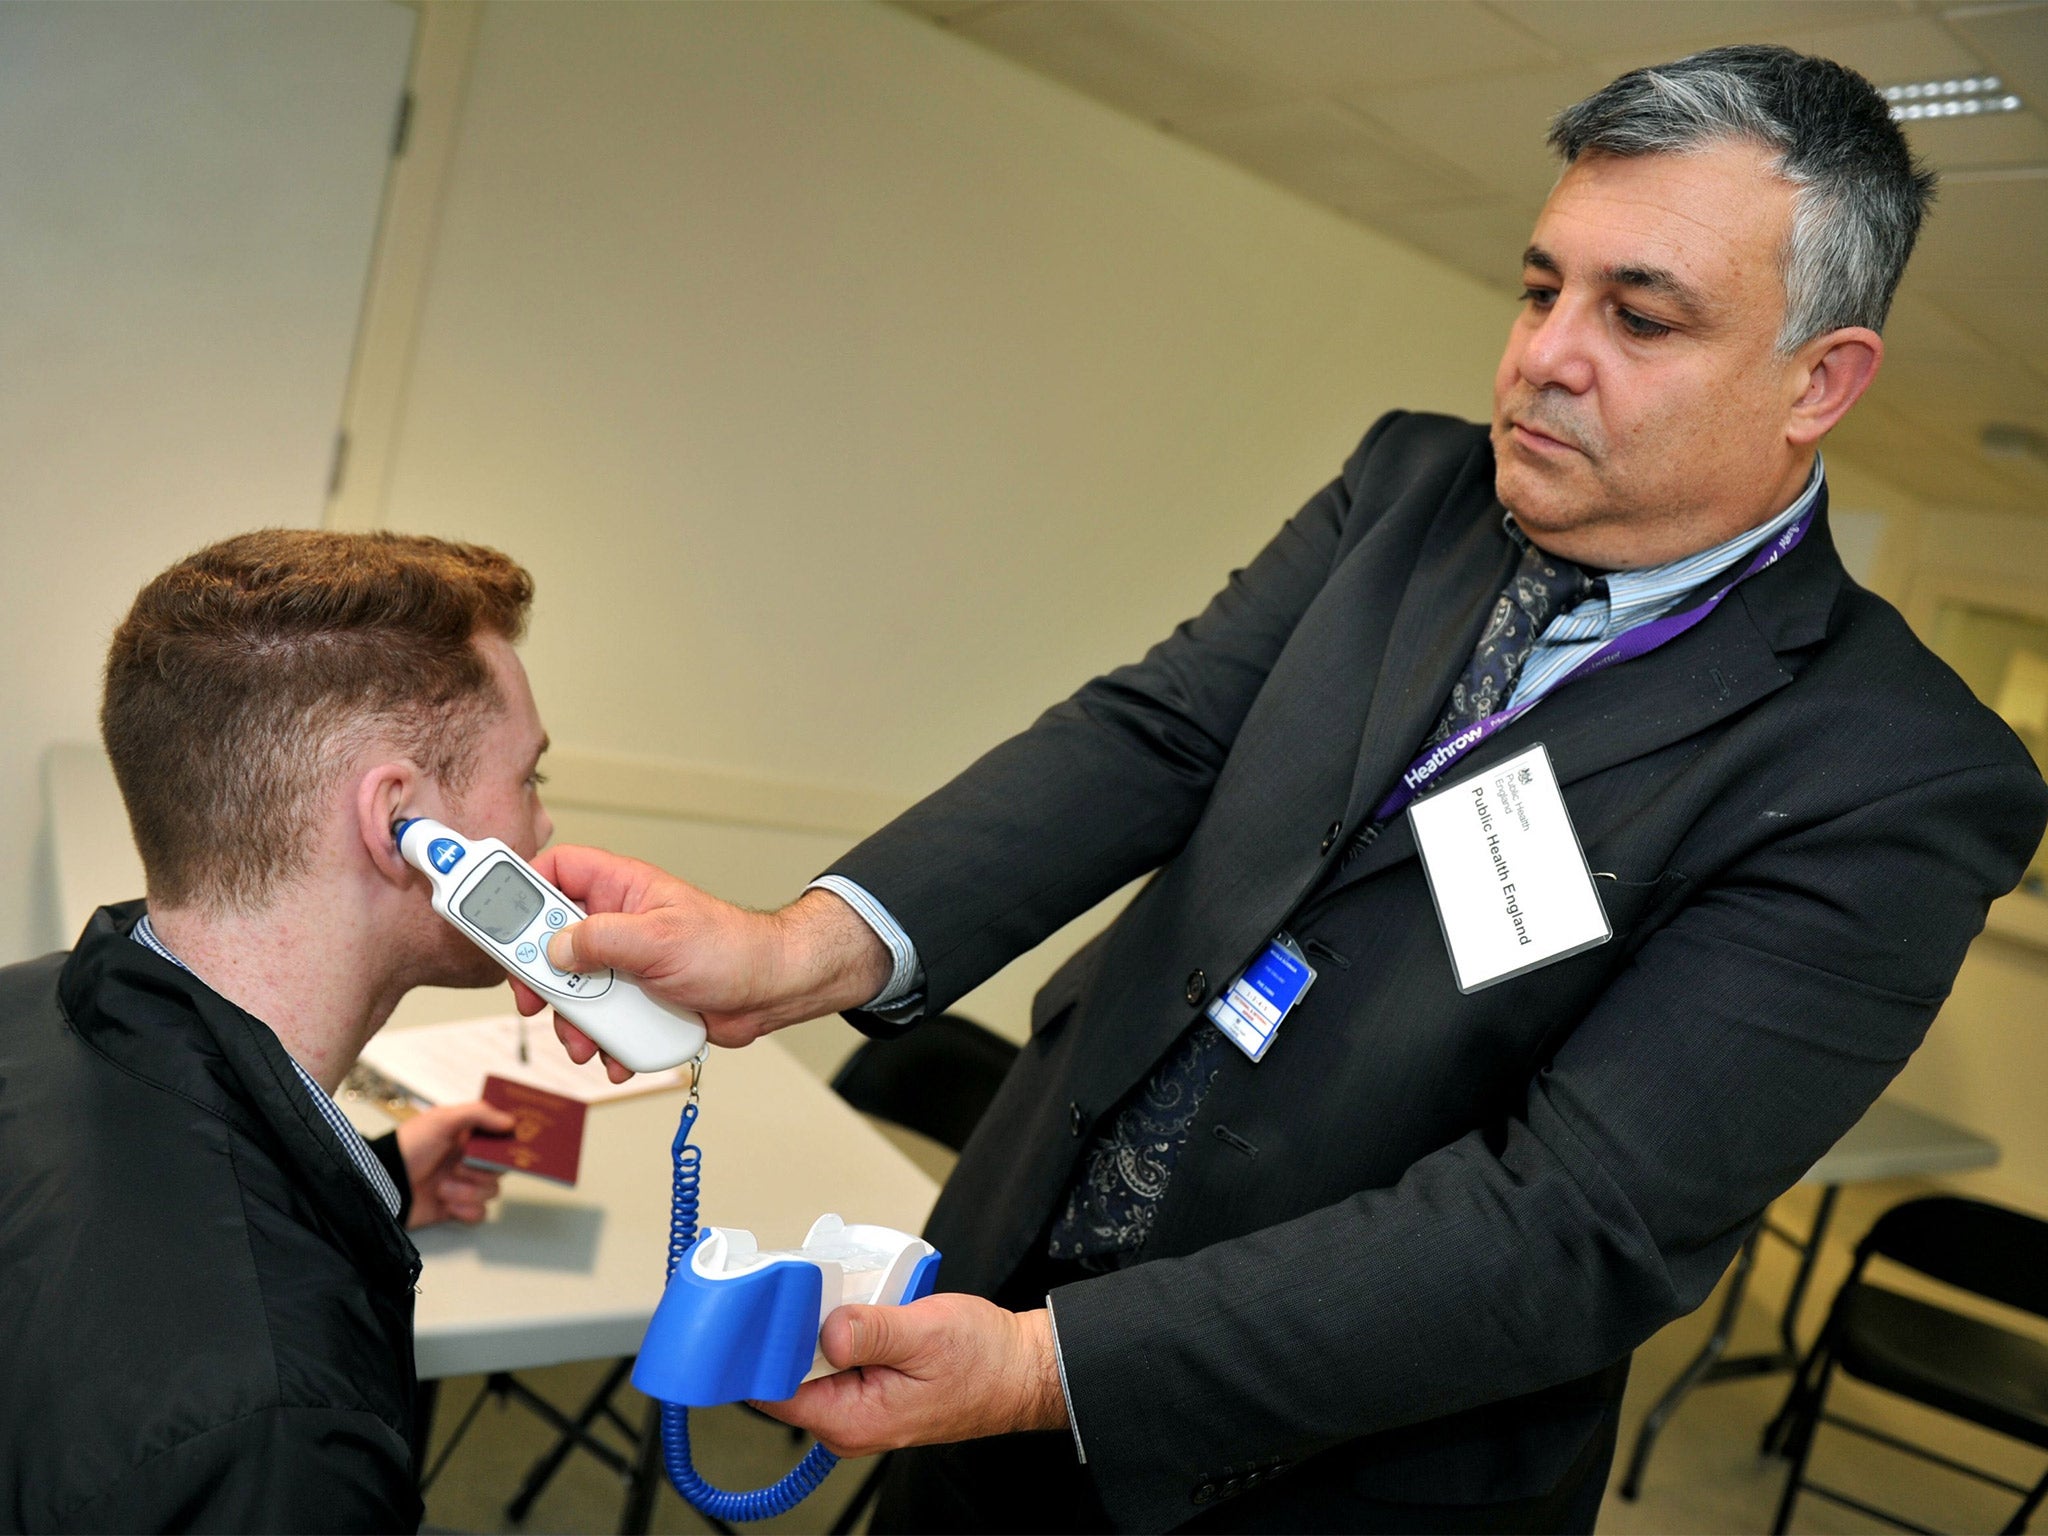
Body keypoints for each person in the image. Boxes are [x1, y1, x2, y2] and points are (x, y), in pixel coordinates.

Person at [528, 47, 2048, 1535]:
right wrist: (806, 948)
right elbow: (1160, 736)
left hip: (1321, 1468)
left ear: (1820, 383)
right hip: (996, 1299)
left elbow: (1576, 1224)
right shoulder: (1415, 491)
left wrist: (1058, 1371)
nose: (1545, 355)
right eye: (1540, 288)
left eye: (1640, 318)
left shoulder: (1894, 776)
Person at [0, 531, 559, 1533]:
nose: (542, 832)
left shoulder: (32, 1005)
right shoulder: (278, 1434)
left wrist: (368, 1182)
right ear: (402, 824)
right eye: (529, 780)